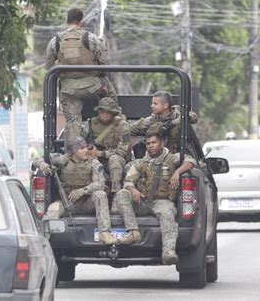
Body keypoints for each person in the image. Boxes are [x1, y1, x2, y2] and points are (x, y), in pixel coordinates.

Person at [114, 132, 196, 265]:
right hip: (143, 201)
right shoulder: (141, 163)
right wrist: (132, 189)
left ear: (161, 143)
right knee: (122, 194)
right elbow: (128, 180)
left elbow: (191, 161)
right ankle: (133, 231)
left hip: (162, 201)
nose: (151, 146)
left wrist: (177, 172)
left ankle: (168, 252)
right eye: (148, 144)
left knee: (167, 215)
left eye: (154, 143)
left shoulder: (172, 158)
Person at [45, 7, 118, 143]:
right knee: (108, 87)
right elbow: (106, 62)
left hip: (69, 91)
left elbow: (48, 66)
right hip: (93, 87)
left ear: (67, 20)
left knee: (72, 122)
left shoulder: (55, 42)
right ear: (81, 21)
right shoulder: (91, 38)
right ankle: (118, 120)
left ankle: (74, 154)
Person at [33, 137, 117, 245]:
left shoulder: (94, 163)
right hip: (67, 202)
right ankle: (42, 241)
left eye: (86, 147)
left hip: (87, 202)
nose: (86, 150)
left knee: (100, 195)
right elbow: (37, 159)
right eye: (82, 148)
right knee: (52, 211)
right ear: (73, 151)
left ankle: (104, 233)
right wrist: (42, 164)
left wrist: (82, 191)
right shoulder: (63, 159)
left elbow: (100, 184)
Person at [82, 97, 130, 194]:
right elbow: (80, 142)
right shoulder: (91, 123)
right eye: (102, 112)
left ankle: (116, 194)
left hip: (113, 159)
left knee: (114, 160)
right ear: (98, 111)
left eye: (108, 112)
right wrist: (88, 150)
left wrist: (101, 153)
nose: (104, 115)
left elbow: (123, 150)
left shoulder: (122, 125)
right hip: (93, 158)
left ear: (113, 113)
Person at [129, 91, 198, 154]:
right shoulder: (152, 119)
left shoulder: (178, 113)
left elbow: (193, 117)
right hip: (159, 156)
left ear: (165, 105)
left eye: (155, 104)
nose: (152, 106)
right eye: (152, 103)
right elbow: (132, 128)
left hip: (179, 155)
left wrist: (172, 124)